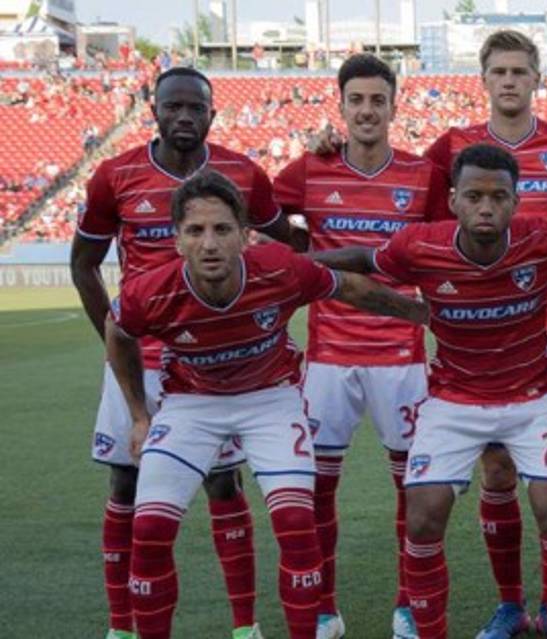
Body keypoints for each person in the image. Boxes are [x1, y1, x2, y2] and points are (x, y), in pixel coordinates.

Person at [311, 34, 547, 634]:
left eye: (520, 70)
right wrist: (333, 151)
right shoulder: (450, 148)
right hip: (463, 361)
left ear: (537, 78)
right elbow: (391, 194)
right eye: (499, 70)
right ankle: (509, 604)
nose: (510, 80)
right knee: (485, 484)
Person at [105, 170, 429, 639]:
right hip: (191, 404)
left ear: (245, 236)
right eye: (195, 231)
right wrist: (139, 415)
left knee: (296, 520)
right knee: (150, 529)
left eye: (222, 229)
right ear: (177, 240)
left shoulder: (279, 268)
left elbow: (350, 287)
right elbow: (118, 333)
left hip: (270, 400)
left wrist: (424, 314)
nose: (209, 244)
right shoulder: (149, 291)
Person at [69, 66, 294, 639]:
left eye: (196, 107)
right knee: (125, 484)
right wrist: (115, 344)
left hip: (214, 364)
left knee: (224, 484)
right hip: (138, 365)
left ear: (212, 114)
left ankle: (244, 626)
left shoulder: (243, 173)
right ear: (154, 111)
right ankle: (121, 627)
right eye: (173, 106)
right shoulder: (114, 175)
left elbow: (293, 245)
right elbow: (83, 264)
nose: (184, 116)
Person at [273, 53, 449, 639]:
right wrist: (300, 248)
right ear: (342, 106)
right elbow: (263, 213)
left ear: (395, 107)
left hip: (401, 356)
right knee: (318, 487)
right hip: (329, 357)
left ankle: (407, 604)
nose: (367, 110)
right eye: (357, 100)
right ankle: (324, 608)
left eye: (378, 100)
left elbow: (439, 251)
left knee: (413, 488)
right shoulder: (310, 169)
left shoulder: (423, 175)